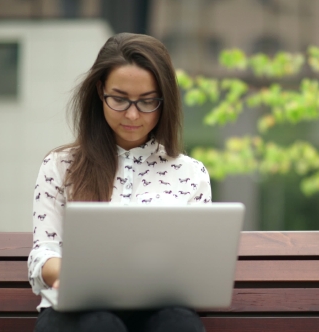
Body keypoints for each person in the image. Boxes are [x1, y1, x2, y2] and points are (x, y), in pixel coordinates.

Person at [28, 33, 211, 332]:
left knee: (179, 325)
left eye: (148, 101)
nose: (132, 114)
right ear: (100, 91)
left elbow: (195, 264)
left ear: (165, 101)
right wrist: (71, 274)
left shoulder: (191, 173)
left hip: (158, 310)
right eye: (119, 99)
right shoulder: (60, 166)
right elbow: (44, 253)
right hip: (77, 310)